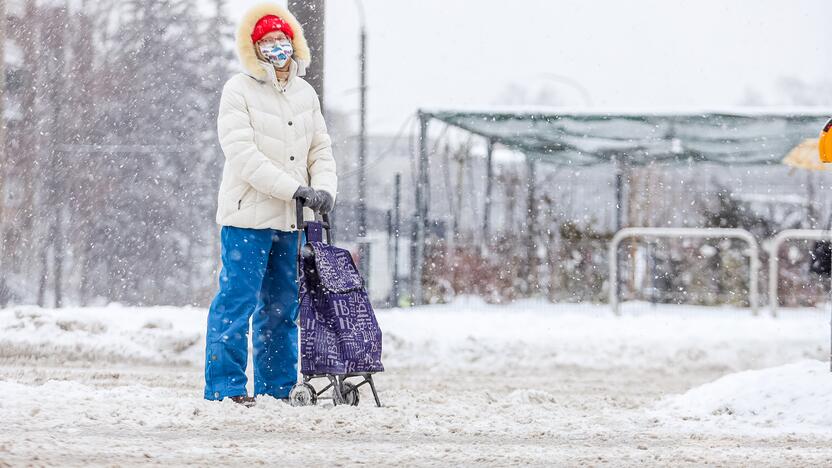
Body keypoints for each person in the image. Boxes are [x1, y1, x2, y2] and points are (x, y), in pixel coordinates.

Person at [204, 3, 337, 406]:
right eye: (267, 42)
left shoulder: (305, 93)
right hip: (248, 217)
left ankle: (276, 389)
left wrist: (325, 188)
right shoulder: (238, 90)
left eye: (282, 40)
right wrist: (294, 189)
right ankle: (225, 389)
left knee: (282, 309)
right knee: (236, 304)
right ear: (254, 49)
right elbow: (243, 155)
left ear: (293, 44)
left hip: (291, 221)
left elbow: (321, 149)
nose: (276, 48)